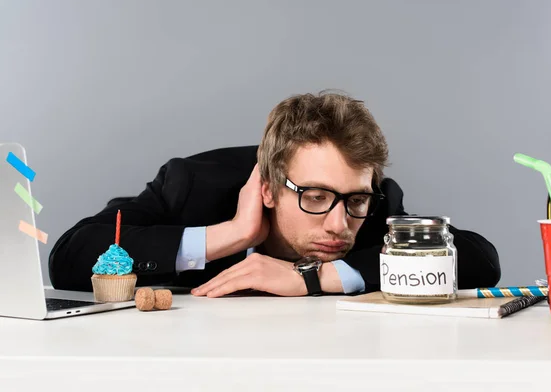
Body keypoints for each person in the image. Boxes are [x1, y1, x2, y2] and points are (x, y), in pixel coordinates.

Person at [49, 92, 500, 297]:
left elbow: (480, 259)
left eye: (354, 200)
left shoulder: (372, 202)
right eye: (316, 197)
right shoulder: (193, 185)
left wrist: (313, 277)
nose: (339, 224)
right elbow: (71, 256)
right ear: (267, 189)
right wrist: (230, 235)